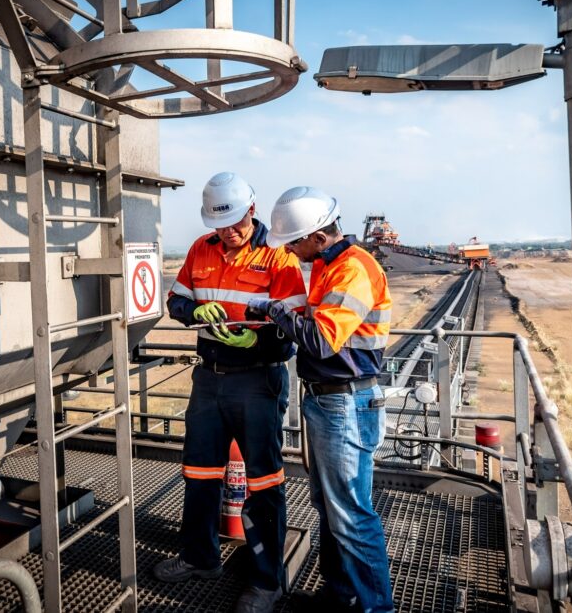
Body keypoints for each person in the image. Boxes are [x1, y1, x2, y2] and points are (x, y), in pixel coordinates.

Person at [153, 172, 306, 613]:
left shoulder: (278, 255)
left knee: (262, 481)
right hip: (209, 378)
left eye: (235, 224)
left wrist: (256, 340)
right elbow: (177, 303)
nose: (228, 233)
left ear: (251, 212)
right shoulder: (202, 250)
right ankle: (200, 559)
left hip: (258, 380)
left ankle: (266, 582)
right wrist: (197, 308)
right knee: (199, 473)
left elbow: (292, 327)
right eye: (220, 226)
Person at [245, 186, 395, 613]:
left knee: (351, 516)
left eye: (293, 242)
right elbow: (320, 322)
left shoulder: (353, 270)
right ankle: (340, 595)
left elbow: (323, 341)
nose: (290, 251)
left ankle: (375, 608)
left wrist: (275, 311)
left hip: (345, 404)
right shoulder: (332, 267)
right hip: (330, 402)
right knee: (333, 510)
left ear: (318, 237)